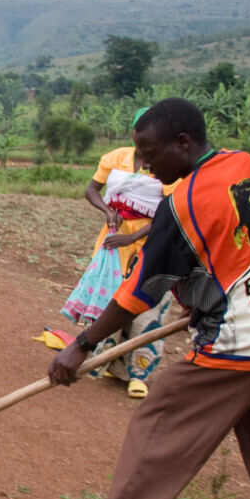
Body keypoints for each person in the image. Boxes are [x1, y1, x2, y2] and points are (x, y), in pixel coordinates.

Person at [42, 98, 250, 499]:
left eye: (150, 154)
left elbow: (140, 289)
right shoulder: (248, 168)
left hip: (242, 344)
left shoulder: (183, 200)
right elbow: (249, 249)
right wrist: (204, 296)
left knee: (158, 424)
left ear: (182, 143)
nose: (144, 165)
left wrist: (80, 344)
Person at [59, 108, 177, 399]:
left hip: (151, 242)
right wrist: (108, 211)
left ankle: (136, 373)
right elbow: (92, 189)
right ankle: (101, 360)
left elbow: (169, 212)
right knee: (111, 297)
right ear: (134, 131)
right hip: (113, 240)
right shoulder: (115, 158)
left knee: (147, 304)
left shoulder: (167, 166)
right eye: (141, 130)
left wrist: (133, 237)